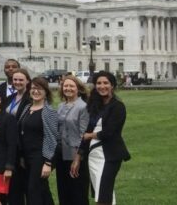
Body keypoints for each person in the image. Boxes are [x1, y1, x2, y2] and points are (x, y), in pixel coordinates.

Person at [79, 71, 130, 205]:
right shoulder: (94, 105)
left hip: (110, 156)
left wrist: (90, 136)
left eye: (105, 83)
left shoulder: (118, 106)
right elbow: (87, 128)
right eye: (99, 83)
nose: (102, 86)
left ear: (112, 85)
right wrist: (80, 154)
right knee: (100, 194)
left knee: (104, 194)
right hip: (93, 156)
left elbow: (109, 133)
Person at [16, 77, 58, 205]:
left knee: (32, 190)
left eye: (39, 88)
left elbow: (52, 138)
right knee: (42, 190)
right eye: (33, 88)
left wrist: (48, 163)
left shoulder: (49, 112)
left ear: (46, 91)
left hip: (40, 157)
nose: (36, 91)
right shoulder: (27, 108)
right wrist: (22, 155)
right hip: (27, 157)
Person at [56, 75, 89, 205]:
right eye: (65, 86)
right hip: (61, 154)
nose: (68, 88)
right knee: (64, 192)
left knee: (78, 193)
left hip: (76, 155)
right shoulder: (60, 106)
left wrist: (77, 158)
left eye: (71, 86)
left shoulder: (83, 107)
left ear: (78, 89)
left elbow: (83, 134)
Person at [4, 68, 31, 205]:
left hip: (23, 145)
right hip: (10, 144)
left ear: (27, 80)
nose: (18, 82)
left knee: (25, 183)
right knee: (14, 186)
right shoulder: (10, 98)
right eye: (15, 79)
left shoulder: (31, 98)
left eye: (21, 80)